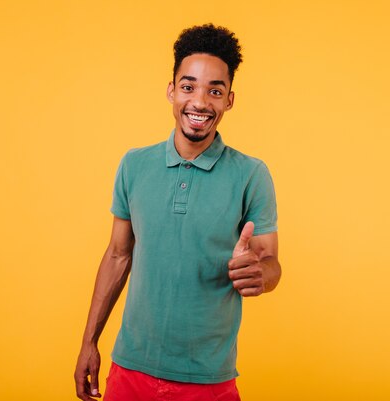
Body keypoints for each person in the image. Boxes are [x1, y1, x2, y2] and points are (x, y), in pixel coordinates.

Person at [74, 23, 281, 401]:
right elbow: (118, 256)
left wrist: (259, 273)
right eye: (188, 87)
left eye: (214, 91)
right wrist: (89, 342)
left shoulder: (251, 174)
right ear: (171, 91)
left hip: (208, 379)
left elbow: (270, 263)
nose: (200, 102)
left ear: (229, 99)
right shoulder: (134, 165)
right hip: (129, 369)